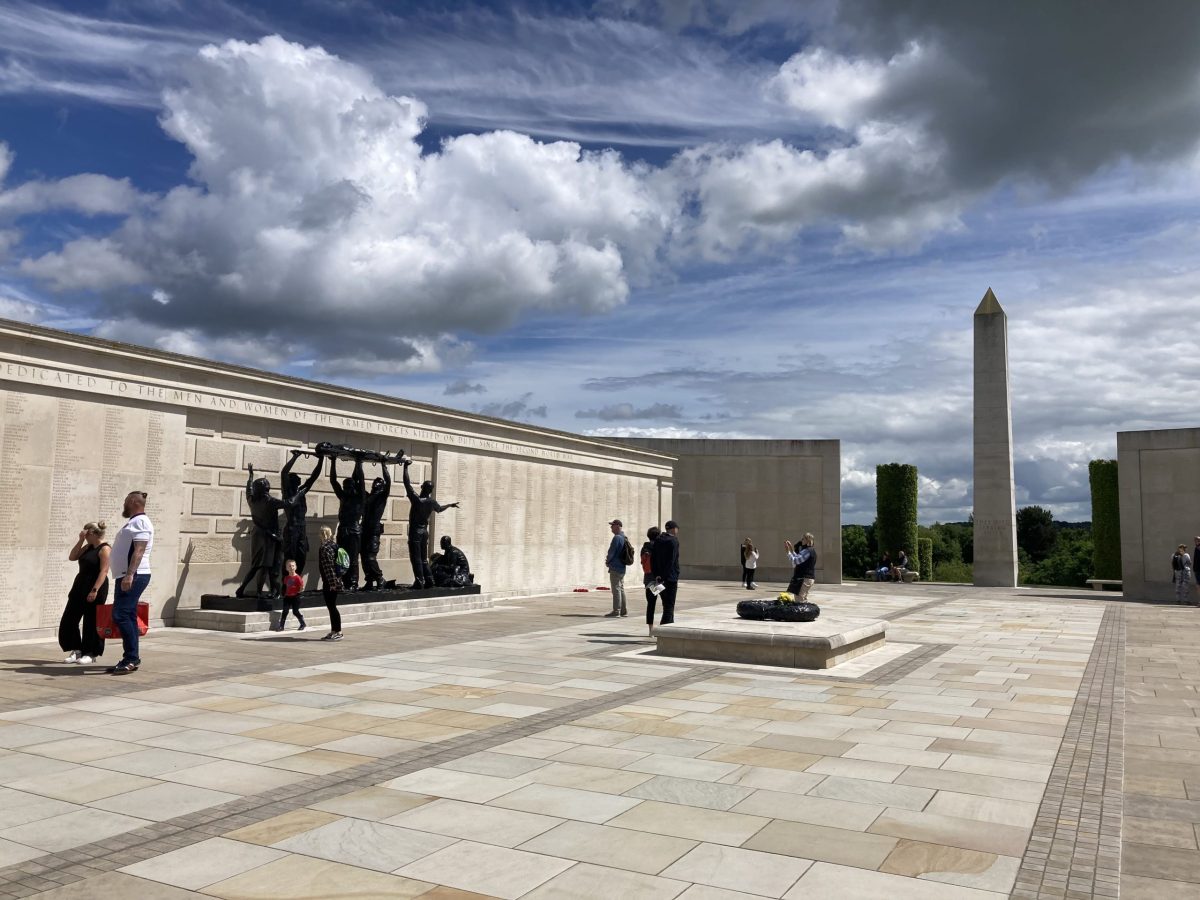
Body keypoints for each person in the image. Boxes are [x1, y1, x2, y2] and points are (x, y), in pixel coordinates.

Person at [107, 491, 153, 675]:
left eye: (126, 501)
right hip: (128, 574)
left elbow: (139, 550)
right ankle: (131, 657)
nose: (123, 504)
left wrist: (129, 575)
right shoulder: (134, 522)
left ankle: (131, 658)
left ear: (133, 502)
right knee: (128, 615)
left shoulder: (141, 522)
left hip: (134, 575)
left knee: (121, 614)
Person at [402, 458, 459, 588]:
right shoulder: (431, 502)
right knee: (423, 559)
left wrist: (405, 468)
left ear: (422, 487)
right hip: (424, 533)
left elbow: (407, 484)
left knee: (416, 558)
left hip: (416, 533)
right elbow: (439, 509)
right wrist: (450, 505)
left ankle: (419, 581)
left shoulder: (418, 500)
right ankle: (429, 581)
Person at [235, 464, 289, 599]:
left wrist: (250, 476)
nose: (268, 489)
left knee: (256, 566)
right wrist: (300, 494)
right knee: (264, 566)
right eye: (267, 488)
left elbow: (248, 490)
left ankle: (242, 589)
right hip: (268, 537)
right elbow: (289, 503)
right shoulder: (270, 501)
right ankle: (258, 592)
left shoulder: (252, 501)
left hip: (257, 535)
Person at [60, 522, 110, 664]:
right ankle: (77, 649)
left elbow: (104, 571)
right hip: (80, 585)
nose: (84, 535)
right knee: (69, 619)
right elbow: (72, 556)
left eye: (86, 533)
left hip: (95, 587)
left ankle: (90, 652)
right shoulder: (87, 547)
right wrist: (81, 540)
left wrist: (95, 590)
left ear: (92, 533)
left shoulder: (104, 549)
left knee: (91, 621)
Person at [280, 447, 324, 575]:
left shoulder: (301, 492)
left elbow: (314, 477)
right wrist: (295, 457)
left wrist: (321, 460)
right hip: (292, 528)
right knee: (290, 558)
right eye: (297, 479)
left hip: (302, 529)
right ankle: (286, 585)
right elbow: (284, 473)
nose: (300, 480)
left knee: (302, 557)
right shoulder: (287, 493)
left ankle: (297, 582)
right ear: (291, 481)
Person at [330, 453, 366, 591]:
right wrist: (332, 462)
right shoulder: (343, 497)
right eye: (345, 487)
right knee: (341, 557)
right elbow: (333, 481)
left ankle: (353, 583)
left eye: (349, 487)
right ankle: (343, 582)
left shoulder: (360, 498)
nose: (346, 489)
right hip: (343, 530)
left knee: (352, 559)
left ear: (354, 487)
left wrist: (359, 463)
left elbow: (361, 481)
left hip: (354, 530)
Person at [360, 460, 393, 591]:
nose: (375, 486)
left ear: (382, 488)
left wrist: (384, 465)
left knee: (370, 557)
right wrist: (359, 464)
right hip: (364, 530)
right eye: (374, 484)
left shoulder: (381, 497)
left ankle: (380, 579)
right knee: (363, 557)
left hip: (374, 531)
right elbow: (360, 483)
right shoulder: (368, 497)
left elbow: (389, 481)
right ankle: (369, 581)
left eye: (378, 485)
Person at [650, 520, 681, 627]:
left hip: (658, 579)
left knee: (665, 604)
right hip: (670, 578)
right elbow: (671, 561)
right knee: (669, 606)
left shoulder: (658, 540)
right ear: (673, 529)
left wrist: (657, 575)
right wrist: (665, 575)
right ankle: (665, 630)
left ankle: (667, 629)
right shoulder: (673, 541)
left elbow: (652, 559)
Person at [317, 526, 343, 640]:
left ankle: (337, 631)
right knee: (332, 606)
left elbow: (328, 567)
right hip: (336, 579)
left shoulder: (324, 548)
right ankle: (334, 631)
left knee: (332, 607)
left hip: (330, 582)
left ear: (321, 534)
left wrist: (332, 583)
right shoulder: (334, 545)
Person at [604, 519, 628, 618]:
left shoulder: (617, 538)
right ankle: (623, 611)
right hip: (622, 567)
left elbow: (611, 552)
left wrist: (607, 561)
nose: (611, 527)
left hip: (615, 566)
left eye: (612, 525)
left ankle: (616, 611)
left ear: (618, 526)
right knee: (621, 588)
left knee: (616, 589)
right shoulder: (624, 537)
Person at [276, 559, 307, 632]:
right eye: (289, 566)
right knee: (285, 611)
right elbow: (285, 586)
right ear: (286, 568)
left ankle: (302, 623)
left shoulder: (298, 578)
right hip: (287, 597)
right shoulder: (286, 578)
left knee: (295, 611)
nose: (291, 567)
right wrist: (284, 593)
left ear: (295, 567)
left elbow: (301, 587)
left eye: (293, 566)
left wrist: (298, 592)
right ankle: (281, 626)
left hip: (295, 597)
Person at [785, 533, 817, 602]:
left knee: (799, 599)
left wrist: (788, 552)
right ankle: (806, 612)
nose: (801, 540)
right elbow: (798, 557)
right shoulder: (810, 550)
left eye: (803, 539)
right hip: (807, 578)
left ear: (807, 540)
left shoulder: (807, 551)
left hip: (804, 578)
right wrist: (791, 549)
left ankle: (802, 613)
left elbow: (796, 561)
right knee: (803, 599)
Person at [641, 526, 660, 635]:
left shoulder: (645, 548)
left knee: (651, 604)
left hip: (648, 579)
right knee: (666, 603)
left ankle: (650, 630)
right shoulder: (658, 548)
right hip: (658, 580)